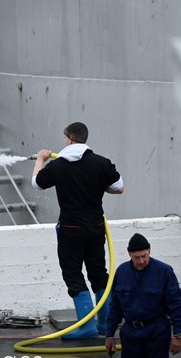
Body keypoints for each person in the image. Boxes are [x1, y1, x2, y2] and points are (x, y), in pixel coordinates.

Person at [32, 122, 124, 338]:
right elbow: (119, 188)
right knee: (99, 273)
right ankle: (105, 326)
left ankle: (86, 326)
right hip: (96, 227)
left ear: (69, 138)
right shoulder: (101, 163)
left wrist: (40, 159)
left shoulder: (58, 165)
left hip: (71, 229)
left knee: (73, 274)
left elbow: (37, 183)